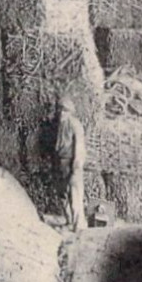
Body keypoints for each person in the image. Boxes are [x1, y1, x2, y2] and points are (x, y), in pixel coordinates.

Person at [54, 95, 87, 231]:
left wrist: (76, 167)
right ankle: (69, 220)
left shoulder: (75, 125)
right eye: (60, 110)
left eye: (65, 110)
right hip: (60, 162)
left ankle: (79, 224)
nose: (62, 113)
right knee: (62, 193)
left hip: (71, 162)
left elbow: (79, 148)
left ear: (70, 112)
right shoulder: (58, 124)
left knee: (75, 193)